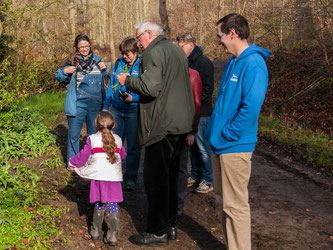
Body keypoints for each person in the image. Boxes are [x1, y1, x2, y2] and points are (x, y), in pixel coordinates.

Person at [116, 21, 195, 246]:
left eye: (139, 38)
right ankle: (170, 226)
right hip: (180, 124)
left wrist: (127, 81)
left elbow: (150, 87)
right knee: (171, 178)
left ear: (149, 34)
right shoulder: (174, 50)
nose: (138, 43)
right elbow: (166, 89)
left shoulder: (154, 52)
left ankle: (157, 232)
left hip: (161, 127)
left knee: (156, 180)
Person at [205, 13, 271, 250]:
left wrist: (227, 134)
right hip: (220, 144)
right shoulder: (234, 62)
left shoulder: (253, 64)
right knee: (224, 203)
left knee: (236, 206)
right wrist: (214, 133)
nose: (219, 41)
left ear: (232, 33)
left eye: (220, 36)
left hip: (234, 145)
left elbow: (251, 108)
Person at [69, 111, 126, 246]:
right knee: (113, 204)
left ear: (96, 125)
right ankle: (112, 235)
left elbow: (83, 155)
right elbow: (123, 155)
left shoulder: (92, 139)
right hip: (113, 178)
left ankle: (95, 231)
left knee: (100, 202)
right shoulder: (118, 139)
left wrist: (73, 162)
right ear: (114, 125)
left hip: (99, 178)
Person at [55, 34, 108, 170]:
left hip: (96, 104)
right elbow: (59, 77)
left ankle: (90, 161)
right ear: (76, 48)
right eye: (81, 47)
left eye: (86, 46)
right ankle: (73, 163)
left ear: (90, 46)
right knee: (74, 134)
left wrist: (104, 69)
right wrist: (63, 71)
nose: (84, 49)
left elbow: (103, 77)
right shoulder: (72, 61)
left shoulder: (97, 60)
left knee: (93, 135)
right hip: (78, 103)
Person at [176, 32, 215, 194]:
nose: (179, 50)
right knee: (191, 145)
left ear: (190, 45)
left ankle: (208, 179)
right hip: (189, 112)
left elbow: (207, 89)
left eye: (181, 47)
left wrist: (194, 105)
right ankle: (196, 174)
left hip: (202, 112)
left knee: (202, 146)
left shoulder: (203, 63)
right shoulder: (185, 62)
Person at [103, 37, 141, 191]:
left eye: (128, 54)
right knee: (114, 144)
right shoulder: (119, 63)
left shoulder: (143, 64)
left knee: (133, 146)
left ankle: (131, 177)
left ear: (136, 51)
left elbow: (147, 88)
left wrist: (134, 98)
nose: (125, 56)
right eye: (123, 53)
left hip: (133, 111)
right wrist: (106, 106)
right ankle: (114, 175)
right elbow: (111, 86)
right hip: (117, 110)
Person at [176, 67, 202, 218]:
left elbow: (196, 104)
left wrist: (192, 131)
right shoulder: (165, 71)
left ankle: (178, 205)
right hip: (165, 131)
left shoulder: (192, 74)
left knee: (180, 168)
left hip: (183, 130)